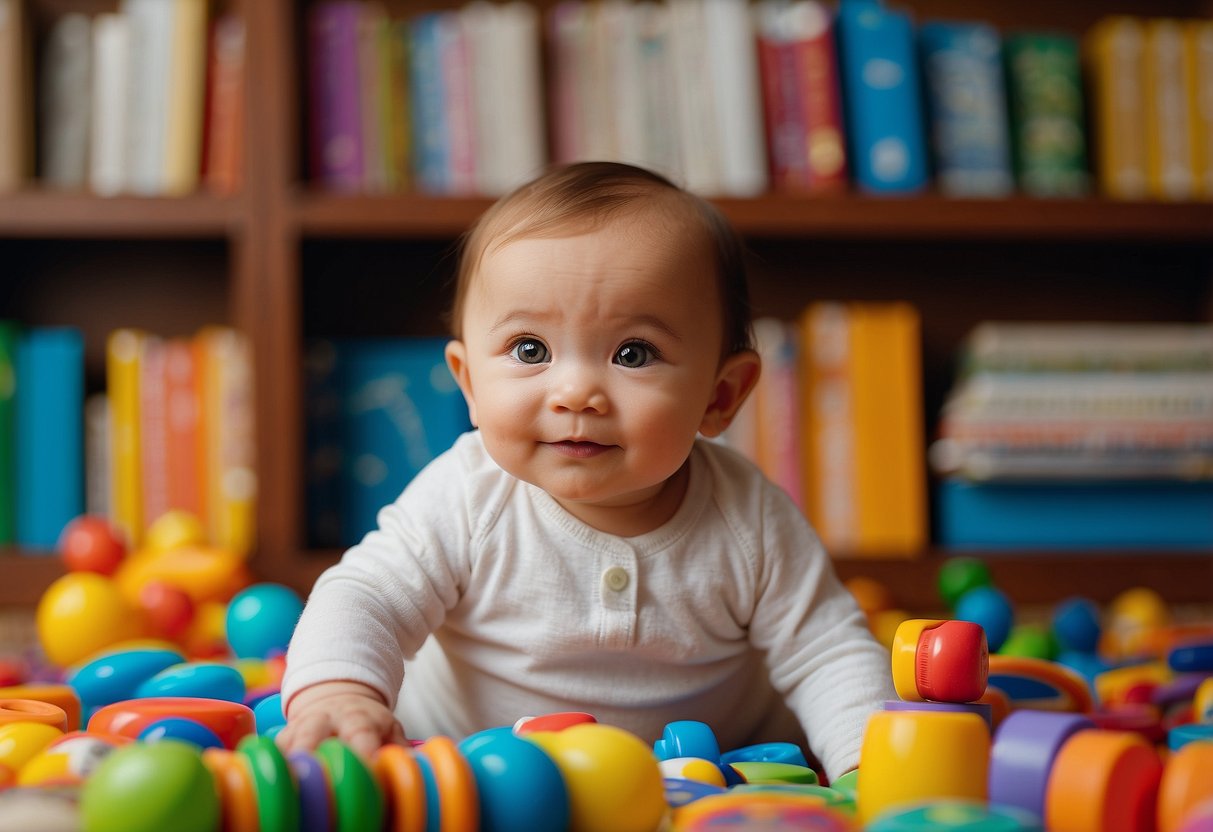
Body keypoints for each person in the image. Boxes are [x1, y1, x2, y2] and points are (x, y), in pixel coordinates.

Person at [278, 161, 894, 781]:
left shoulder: (748, 516)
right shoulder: (466, 497)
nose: (575, 392)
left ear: (720, 395)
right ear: (468, 383)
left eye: (633, 353)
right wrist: (339, 692)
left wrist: (870, 769)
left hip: (704, 781)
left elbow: (827, 651)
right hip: (471, 774)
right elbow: (368, 596)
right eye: (530, 350)